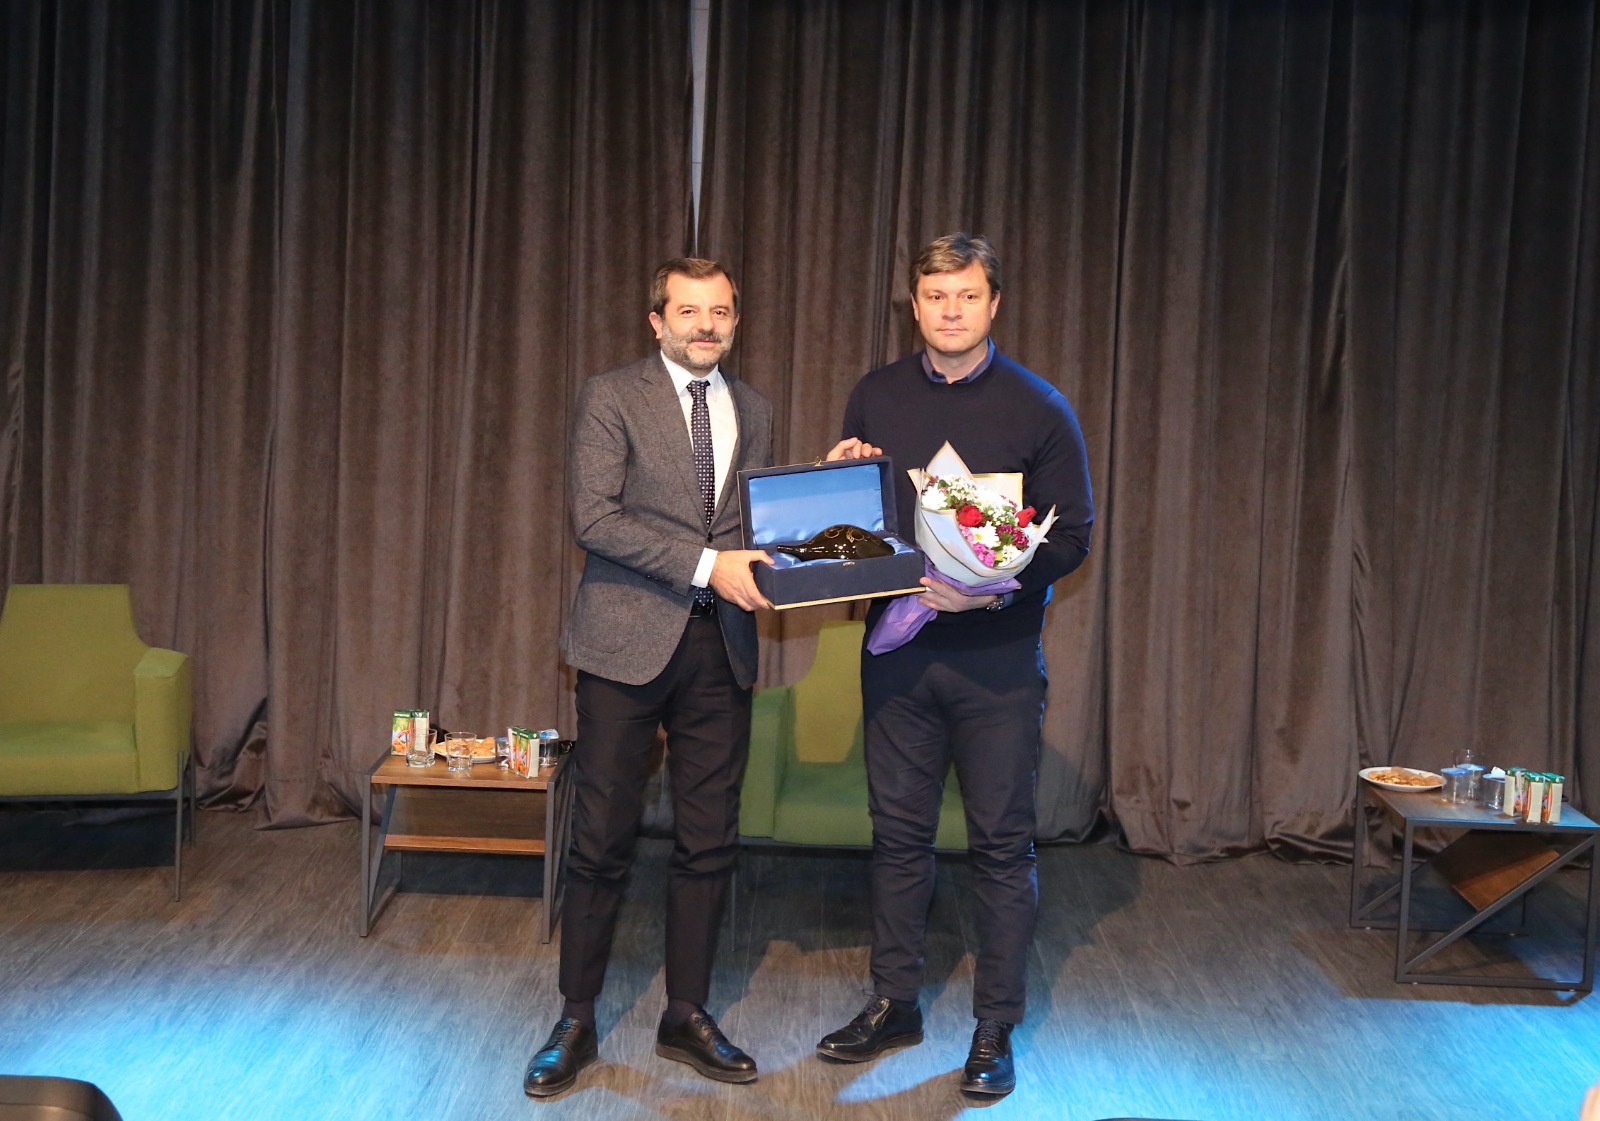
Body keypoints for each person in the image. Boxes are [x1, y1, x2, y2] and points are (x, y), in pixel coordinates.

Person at [820, 233, 1094, 1097]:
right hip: (897, 659)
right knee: (897, 838)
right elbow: (854, 529)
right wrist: (836, 483)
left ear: (993, 303)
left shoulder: (1040, 407)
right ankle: (894, 1001)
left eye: (967, 295)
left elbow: (1073, 538)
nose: (951, 310)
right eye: (936, 295)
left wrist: (993, 594)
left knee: (1002, 847)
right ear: (914, 304)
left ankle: (994, 1025)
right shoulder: (875, 394)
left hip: (997, 663)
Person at [523, 258, 775, 1098]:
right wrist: (707, 565)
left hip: (722, 650)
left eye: (721, 312)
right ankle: (576, 1015)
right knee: (601, 837)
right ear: (657, 319)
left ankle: (687, 1012)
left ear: (735, 320)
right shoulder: (610, 396)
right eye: (689, 311)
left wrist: (833, 482)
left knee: (709, 839)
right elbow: (594, 518)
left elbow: (758, 525)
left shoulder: (756, 409)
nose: (707, 325)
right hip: (624, 647)